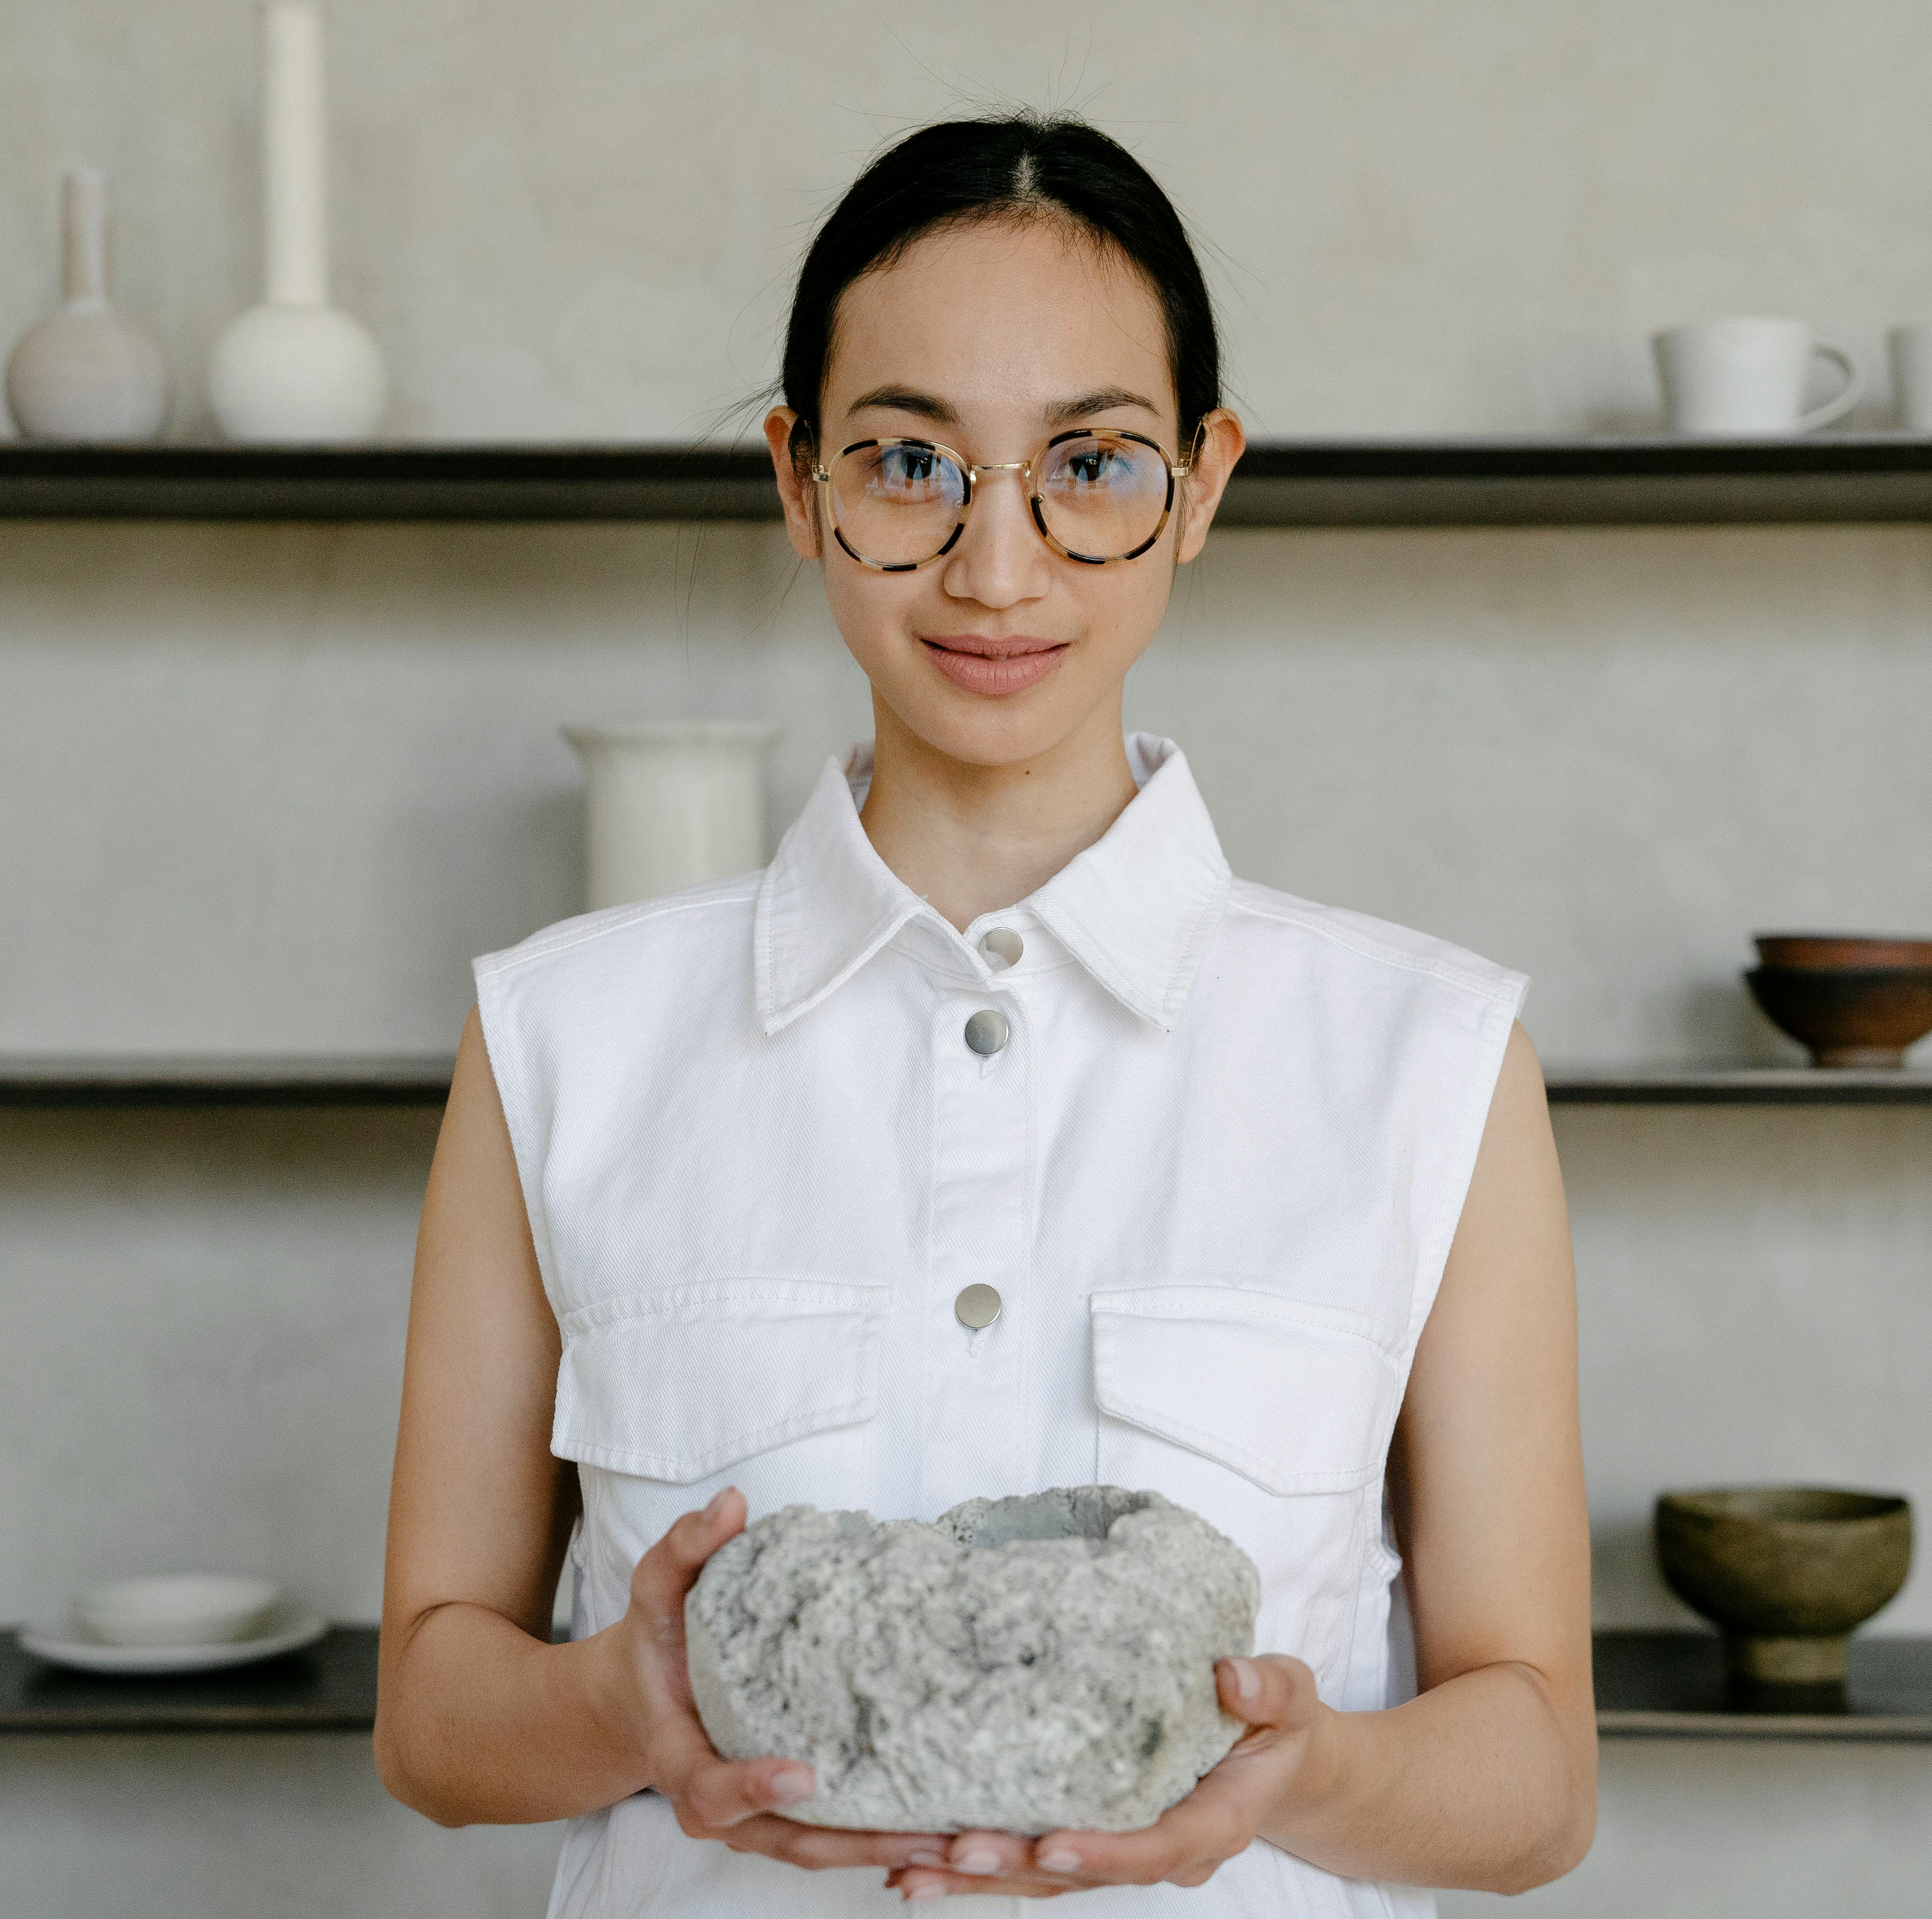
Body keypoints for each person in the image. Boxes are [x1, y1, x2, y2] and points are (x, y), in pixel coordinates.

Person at [375, 113, 1594, 1914]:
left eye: (1090, 465)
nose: (997, 569)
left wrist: (1303, 1770)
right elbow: (431, 1717)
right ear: (799, 482)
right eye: (908, 466)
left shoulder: (1430, 1065)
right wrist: (627, 1702)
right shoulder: (562, 1042)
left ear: (1203, 483)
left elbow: (1539, 1778)